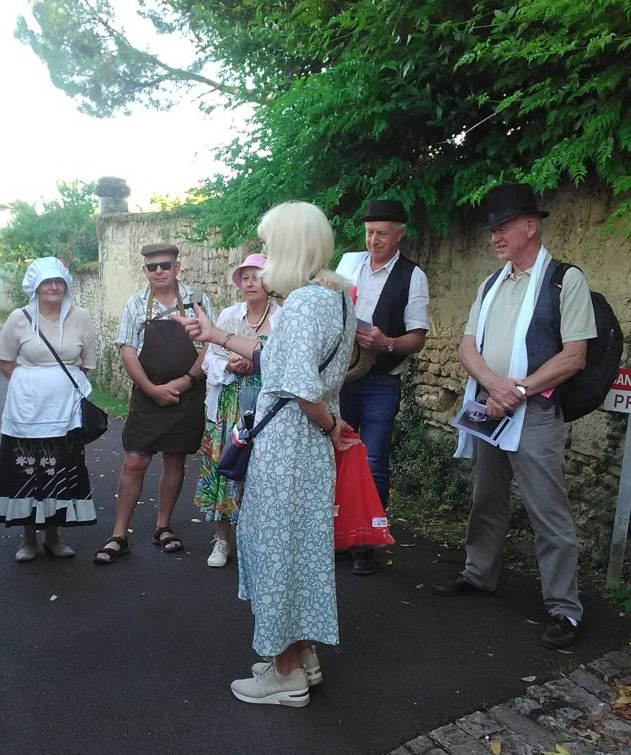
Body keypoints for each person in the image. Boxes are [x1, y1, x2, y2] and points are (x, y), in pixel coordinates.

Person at [176, 201, 357, 707]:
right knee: (298, 549)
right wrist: (215, 334)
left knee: (271, 548)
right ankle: (302, 657)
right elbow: (277, 358)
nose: (267, 253)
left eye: (271, 243)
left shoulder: (300, 305)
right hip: (305, 448)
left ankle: (284, 675)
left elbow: (300, 388)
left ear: (289, 246)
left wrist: (330, 425)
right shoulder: (336, 297)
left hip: (287, 445)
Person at [431, 183, 597, 650]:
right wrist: (494, 385)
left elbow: (575, 356)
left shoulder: (565, 280)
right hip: (492, 408)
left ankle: (565, 609)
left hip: (535, 413)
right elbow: (467, 346)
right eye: (492, 230)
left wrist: (518, 389)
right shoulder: (490, 283)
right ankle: (479, 574)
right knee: (487, 499)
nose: (495, 237)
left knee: (548, 511)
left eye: (502, 227)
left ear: (531, 226)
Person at [93, 243, 215, 564]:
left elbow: (209, 344)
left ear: (177, 267)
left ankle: (163, 527)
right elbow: (127, 350)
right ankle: (119, 534)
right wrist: (151, 388)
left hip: (187, 394)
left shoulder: (197, 300)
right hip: (148, 396)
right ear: (144, 271)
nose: (158, 271)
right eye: (151, 267)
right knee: (135, 460)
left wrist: (188, 379)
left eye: (164, 265)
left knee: (175, 460)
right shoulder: (135, 304)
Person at [335, 199, 429, 575]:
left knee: (372, 461)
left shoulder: (412, 275)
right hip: (344, 376)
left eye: (382, 234)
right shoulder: (349, 264)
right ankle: (341, 533)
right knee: (336, 456)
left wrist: (386, 342)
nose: (374, 240)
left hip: (381, 380)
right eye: (370, 233)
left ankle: (366, 543)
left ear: (399, 235)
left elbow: (418, 337)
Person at [0, 257, 98, 561]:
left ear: (66, 285)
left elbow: (87, 364)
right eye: (47, 282)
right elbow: (5, 363)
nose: (53, 287)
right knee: (27, 470)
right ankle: (27, 540)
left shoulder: (81, 317)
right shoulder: (18, 318)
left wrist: (56, 389)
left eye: (58, 281)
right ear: (35, 286)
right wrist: (34, 388)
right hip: (26, 410)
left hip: (64, 412)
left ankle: (53, 536)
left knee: (59, 469)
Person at [195, 253, 280, 567]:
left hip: (268, 410)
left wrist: (254, 364)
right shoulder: (230, 316)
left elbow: (286, 364)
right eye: (244, 276)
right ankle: (221, 542)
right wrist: (231, 366)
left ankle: (259, 544)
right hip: (230, 407)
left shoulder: (282, 317)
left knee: (262, 475)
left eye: (256, 275)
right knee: (226, 469)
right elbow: (210, 359)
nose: (249, 282)